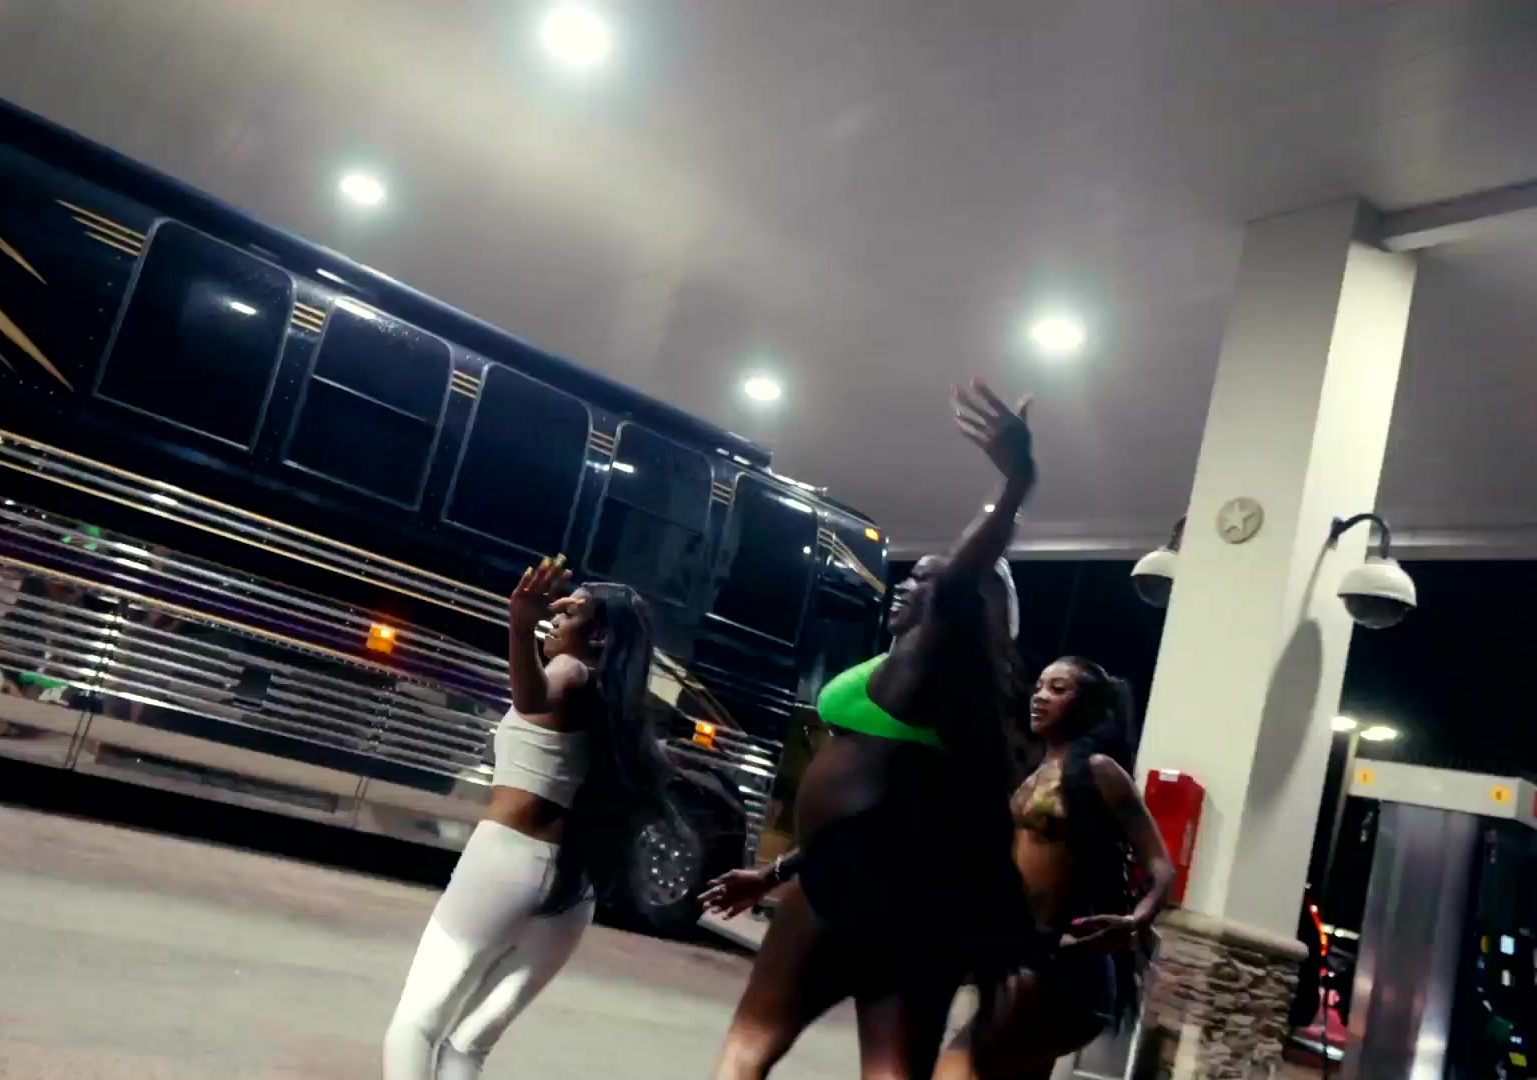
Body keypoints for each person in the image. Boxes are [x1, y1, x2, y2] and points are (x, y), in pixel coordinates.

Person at [702, 379, 1040, 1080]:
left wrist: (1014, 489)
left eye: (927, 582)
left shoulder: (925, 668)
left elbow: (959, 583)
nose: (909, 584)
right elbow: (884, 817)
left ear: (960, 611)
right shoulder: (957, 697)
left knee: (745, 1053)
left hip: (853, 885)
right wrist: (773, 872)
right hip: (890, 883)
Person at [384, 557, 677, 1080]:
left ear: (599, 637)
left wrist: (519, 625)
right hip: (572, 888)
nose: (554, 621)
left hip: (506, 862)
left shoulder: (572, 671)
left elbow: (532, 697)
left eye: (570, 614)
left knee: (415, 1026)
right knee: (466, 1047)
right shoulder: (619, 708)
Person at [932, 656, 1176, 1079]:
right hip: (1020, 955)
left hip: (1064, 966)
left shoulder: (1100, 772)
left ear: (1086, 705)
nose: (1040, 696)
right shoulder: (1034, 770)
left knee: (960, 1064)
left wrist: (1136, 920)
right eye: (1040, 686)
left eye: (1058, 689)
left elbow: (1161, 866)